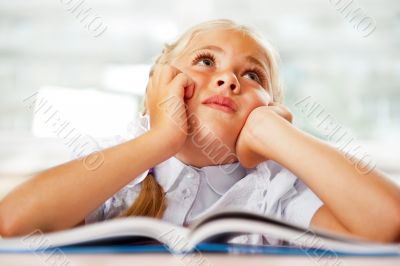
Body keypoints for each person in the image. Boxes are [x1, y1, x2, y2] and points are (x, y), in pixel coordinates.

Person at [0, 19, 399, 244]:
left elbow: (389, 223)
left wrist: (271, 132)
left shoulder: (276, 189)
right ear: (160, 88)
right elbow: (13, 222)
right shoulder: (115, 166)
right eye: (206, 61)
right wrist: (160, 139)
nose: (228, 79)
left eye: (252, 75)